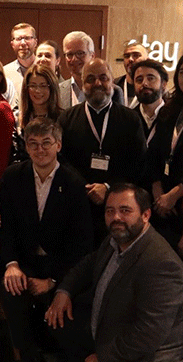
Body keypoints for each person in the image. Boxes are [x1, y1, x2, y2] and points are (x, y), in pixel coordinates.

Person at [45, 184, 183, 362]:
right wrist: (63, 292)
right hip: (114, 328)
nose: (116, 217)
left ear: (146, 215)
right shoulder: (116, 239)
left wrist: (103, 359)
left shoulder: (162, 263)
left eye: (125, 210)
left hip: (152, 353)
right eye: (110, 211)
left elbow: (149, 334)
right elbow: (87, 265)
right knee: (57, 319)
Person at [0, 118, 93, 362]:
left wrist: (52, 280)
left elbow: (81, 243)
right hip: (24, 260)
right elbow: (6, 228)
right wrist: (12, 264)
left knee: (68, 303)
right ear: (26, 147)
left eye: (46, 143)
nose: (40, 149)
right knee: (12, 291)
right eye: (34, 144)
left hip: (59, 264)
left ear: (58, 145)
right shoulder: (13, 176)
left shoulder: (74, 182)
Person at [57, 58, 145, 240]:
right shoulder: (66, 119)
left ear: (112, 81)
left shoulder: (130, 119)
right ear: (82, 84)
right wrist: (86, 188)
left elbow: (138, 162)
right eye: (90, 79)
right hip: (78, 202)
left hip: (119, 203)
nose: (97, 83)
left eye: (103, 78)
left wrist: (108, 187)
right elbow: (61, 160)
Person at [144, 55, 183, 253]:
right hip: (163, 201)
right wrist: (157, 188)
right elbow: (154, 153)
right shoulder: (170, 110)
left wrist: (176, 194)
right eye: (182, 72)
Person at [58, 31, 124, 109]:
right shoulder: (58, 90)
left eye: (80, 53)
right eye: (70, 54)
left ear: (92, 56)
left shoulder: (112, 90)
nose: (74, 59)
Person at [132, 59, 167, 143]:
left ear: (163, 84)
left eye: (151, 78)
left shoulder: (174, 117)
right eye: (139, 80)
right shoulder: (128, 119)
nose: (144, 83)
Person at [20, 64, 63, 131]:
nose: (37, 90)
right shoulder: (19, 118)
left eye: (43, 86)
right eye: (33, 86)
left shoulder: (63, 118)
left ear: (52, 88)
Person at [3, 23, 38, 94]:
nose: (23, 43)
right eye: (18, 39)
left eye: (27, 38)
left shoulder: (46, 68)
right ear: (12, 44)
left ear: (35, 42)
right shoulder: (5, 72)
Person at [114, 41, 149, 108]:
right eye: (127, 56)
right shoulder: (113, 86)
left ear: (147, 60)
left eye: (136, 55)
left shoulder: (154, 88)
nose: (130, 59)